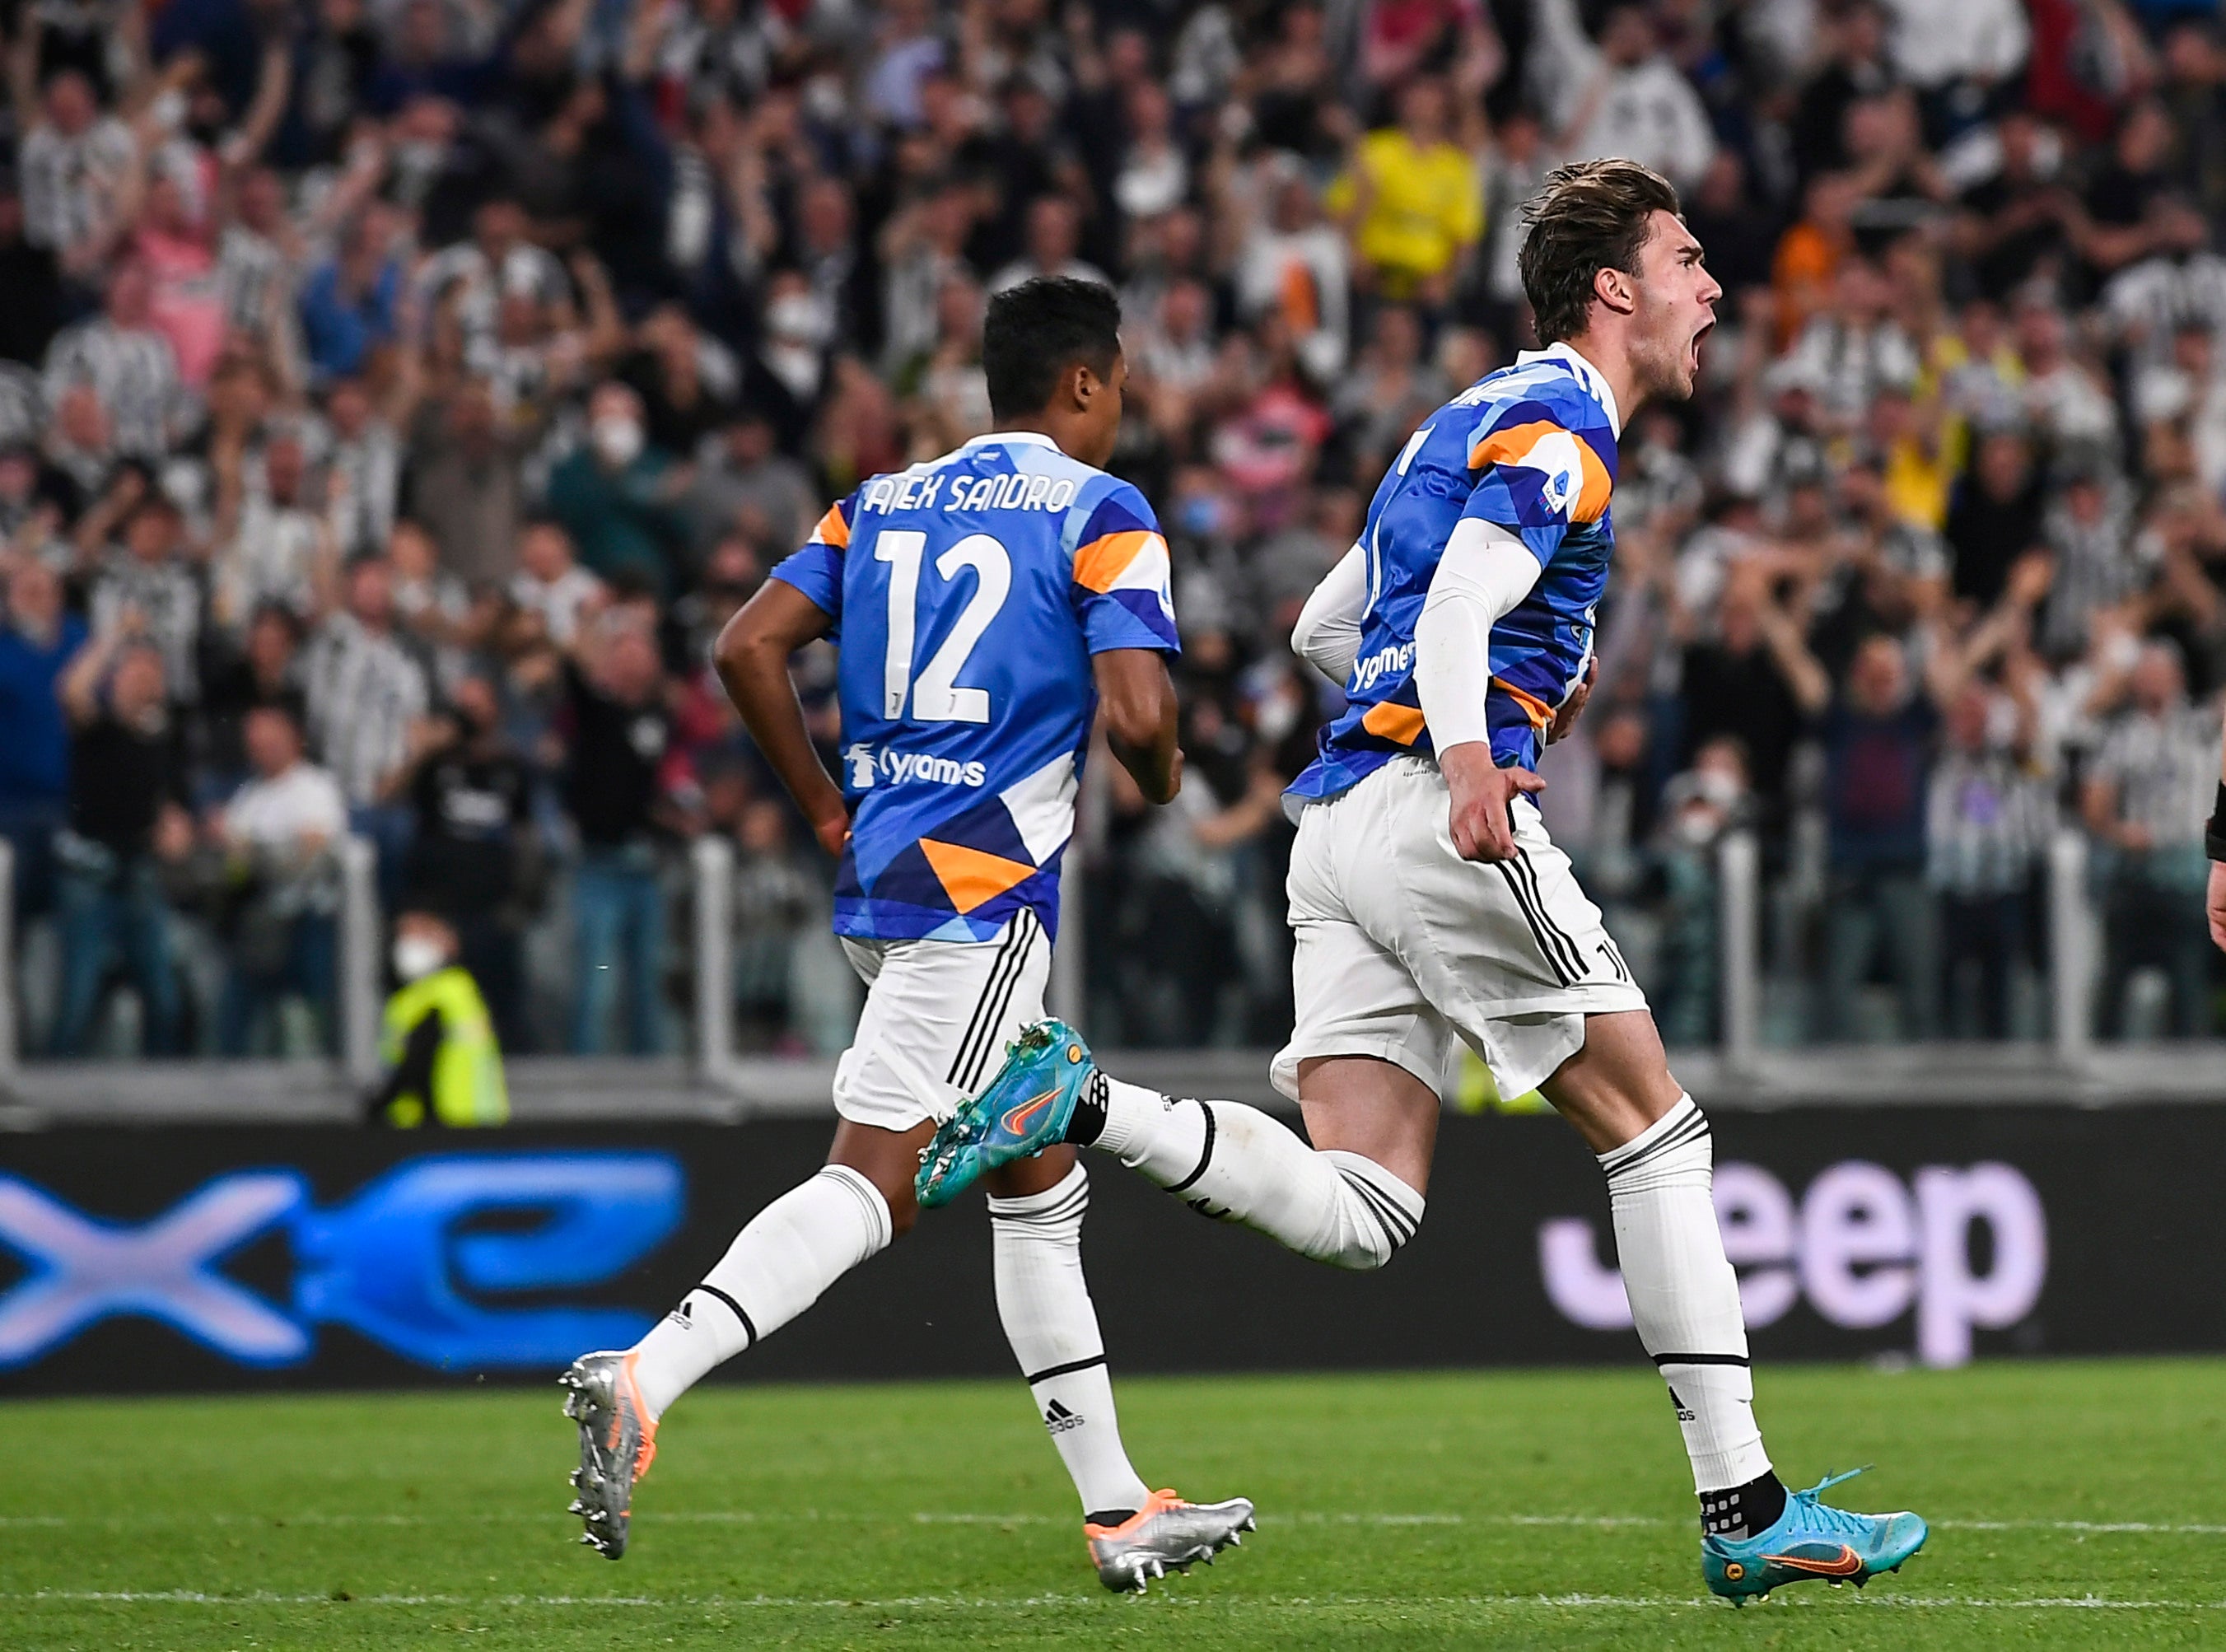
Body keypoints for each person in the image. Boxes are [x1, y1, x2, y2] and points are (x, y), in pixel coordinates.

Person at [920, 164, 1930, 1603]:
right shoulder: (1567, 428)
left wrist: (1432, 710)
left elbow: (1326, 624)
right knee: (1657, 1131)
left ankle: (1081, 1103)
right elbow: (1455, 601)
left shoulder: (1454, 419)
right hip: (1430, 814)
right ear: (1615, 289)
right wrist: (1467, 751)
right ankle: (1744, 1505)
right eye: (1690, 260)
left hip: (1334, 825)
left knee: (1365, 1206)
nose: (1714, 289)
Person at [561, 278, 1253, 1589]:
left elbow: (746, 646)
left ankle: (1117, 1507)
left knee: (1034, 1170)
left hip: (885, 872)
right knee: (872, 1176)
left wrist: (825, 803)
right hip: (980, 891)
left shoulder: (875, 501)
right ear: (1089, 385)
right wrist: (1160, 785)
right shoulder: (1099, 507)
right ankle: (645, 1375)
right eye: (1122, 385)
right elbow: (1138, 710)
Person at [366, 907, 510, 1127]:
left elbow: (416, 1063)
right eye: (405, 934)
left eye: (422, 934)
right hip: (473, 1123)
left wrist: (378, 1106)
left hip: (443, 1124)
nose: (411, 943)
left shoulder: (440, 995)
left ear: (449, 939)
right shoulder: (457, 990)